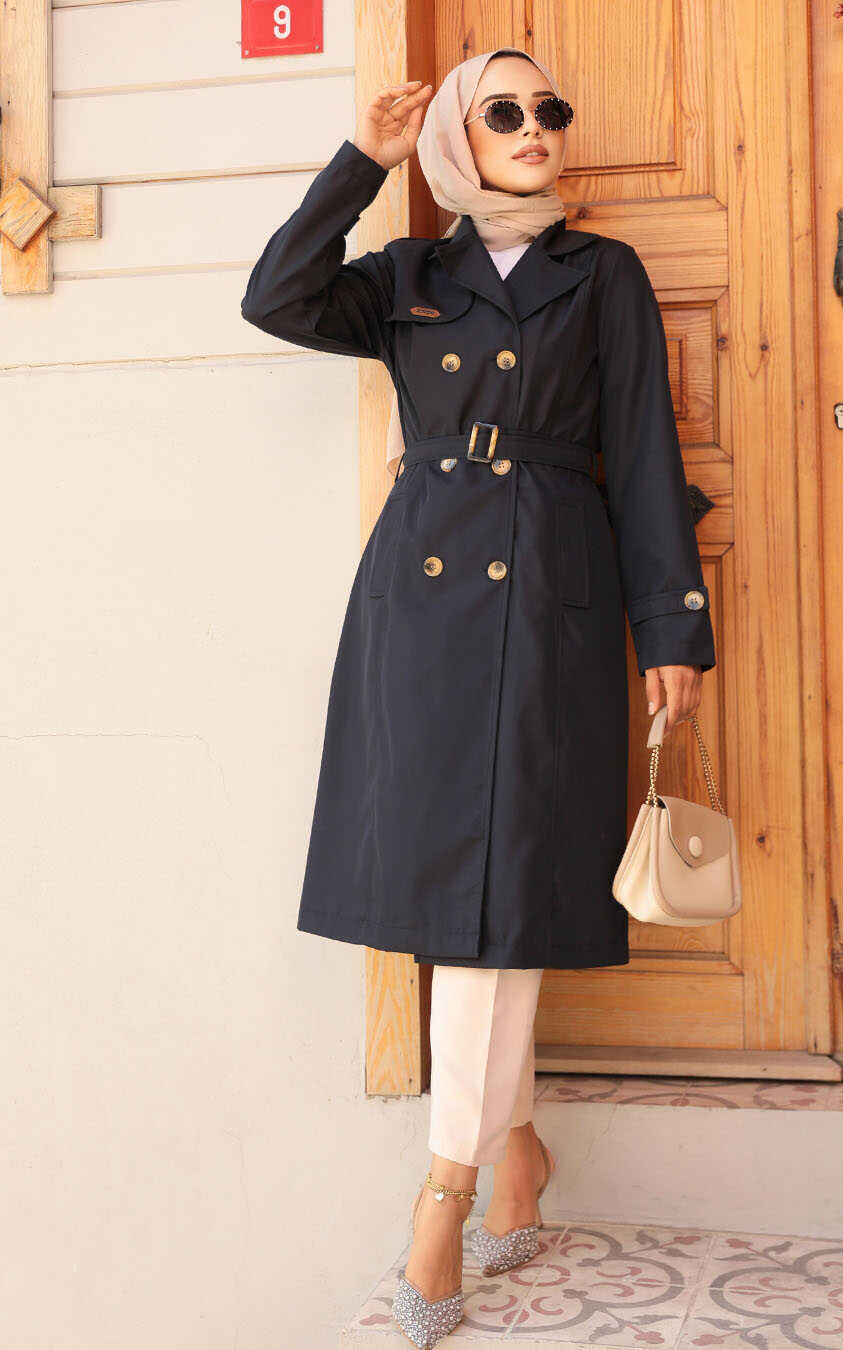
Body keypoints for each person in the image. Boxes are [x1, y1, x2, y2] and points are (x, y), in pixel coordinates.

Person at [241, 47, 715, 1348]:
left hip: (554, 590)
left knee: (501, 899)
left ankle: (441, 1199)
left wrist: (671, 622)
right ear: (458, 133)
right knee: (457, 894)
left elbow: (646, 447)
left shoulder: (600, 273)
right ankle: (516, 1150)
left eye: (549, 108)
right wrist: (366, 162)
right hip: (425, 600)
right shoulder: (409, 274)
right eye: (502, 110)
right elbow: (275, 296)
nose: (534, 127)